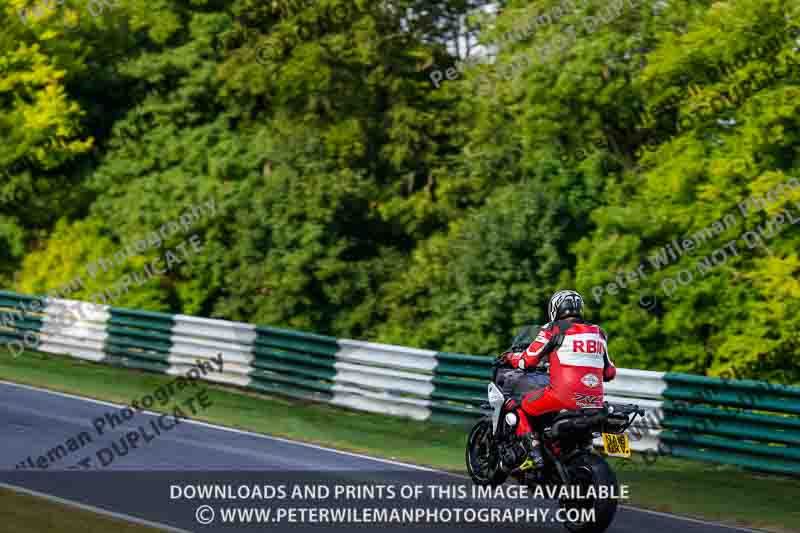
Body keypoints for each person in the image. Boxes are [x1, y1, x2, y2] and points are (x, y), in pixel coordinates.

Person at [499, 289, 616, 471]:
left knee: (516, 405)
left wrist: (510, 358)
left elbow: (527, 361)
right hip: (594, 403)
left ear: (555, 309)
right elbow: (609, 373)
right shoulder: (598, 333)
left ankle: (534, 454)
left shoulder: (553, 328)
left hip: (562, 398)